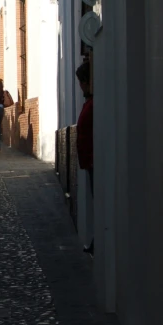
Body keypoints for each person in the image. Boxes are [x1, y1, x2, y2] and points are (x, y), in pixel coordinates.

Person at [76, 60, 94, 255]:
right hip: (89, 160)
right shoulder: (90, 102)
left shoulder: (93, 103)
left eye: (81, 81)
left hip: (93, 159)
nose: (80, 85)